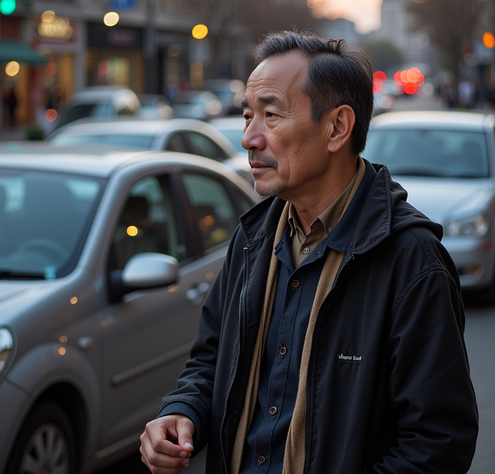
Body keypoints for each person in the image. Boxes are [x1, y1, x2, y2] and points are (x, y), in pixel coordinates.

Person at [140, 31, 478, 474]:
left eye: (271, 115)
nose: (249, 138)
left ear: (337, 127)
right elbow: (211, 359)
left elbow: (437, 443)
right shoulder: (254, 238)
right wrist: (181, 412)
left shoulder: (411, 259)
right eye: (247, 116)